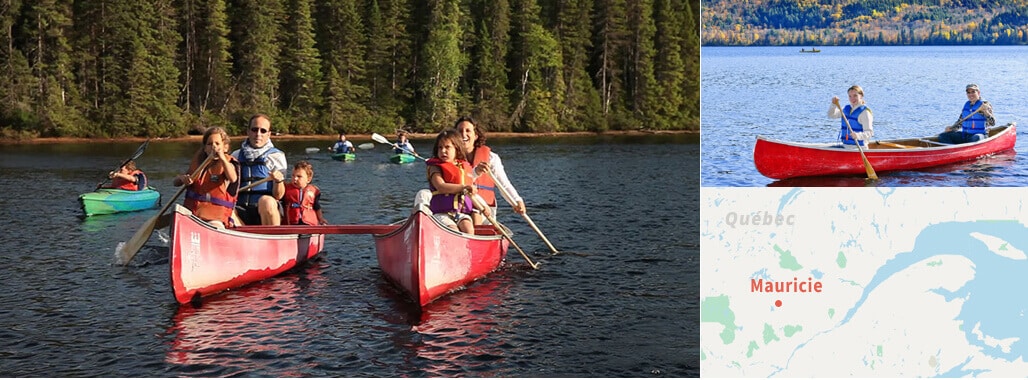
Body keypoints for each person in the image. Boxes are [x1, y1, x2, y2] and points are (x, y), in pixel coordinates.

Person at [456, 116, 525, 225]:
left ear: (476, 136)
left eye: (468, 131)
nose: (463, 134)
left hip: (484, 212)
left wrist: (517, 201)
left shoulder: (491, 158)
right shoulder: (449, 158)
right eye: (460, 131)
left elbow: (504, 184)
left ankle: (475, 235)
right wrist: (476, 172)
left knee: (475, 210)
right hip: (457, 209)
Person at [174, 127, 240, 229]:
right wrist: (182, 179)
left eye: (217, 144)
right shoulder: (199, 165)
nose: (213, 146)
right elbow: (176, 183)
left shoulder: (228, 164)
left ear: (225, 147)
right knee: (176, 214)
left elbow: (233, 178)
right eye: (209, 144)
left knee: (214, 226)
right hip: (193, 215)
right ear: (205, 148)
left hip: (214, 219)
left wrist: (222, 157)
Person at [231, 114, 287, 226]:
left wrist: (278, 181)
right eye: (254, 129)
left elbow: (278, 196)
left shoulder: (276, 156)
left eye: (263, 131)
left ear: (269, 134)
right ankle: (242, 236)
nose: (258, 134)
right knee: (224, 208)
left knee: (266, 201)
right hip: (241, 209)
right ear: (248, 131)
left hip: (266, 209)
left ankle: (272, 237)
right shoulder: (235, 155)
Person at [425, 129, 479, 234]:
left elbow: (471, 195)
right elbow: (440, 186)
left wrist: (483, 207)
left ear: (457, 149)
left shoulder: (464, 167)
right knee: (453, 230)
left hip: (460, 213)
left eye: (447, 147)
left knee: (468, 228)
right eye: (440, 148)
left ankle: (466, 249)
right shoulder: (435, 168)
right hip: (441, 213)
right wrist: (463, 187)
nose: (443, 151)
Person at [282, 160, 328, 226]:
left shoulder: (314, 191)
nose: (295, 178)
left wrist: (321, 219)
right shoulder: (285, 189)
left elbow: (317, 206)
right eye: (293, 175)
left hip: (308, 223)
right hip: (291, 222)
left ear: (308, 179)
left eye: (299, 176)